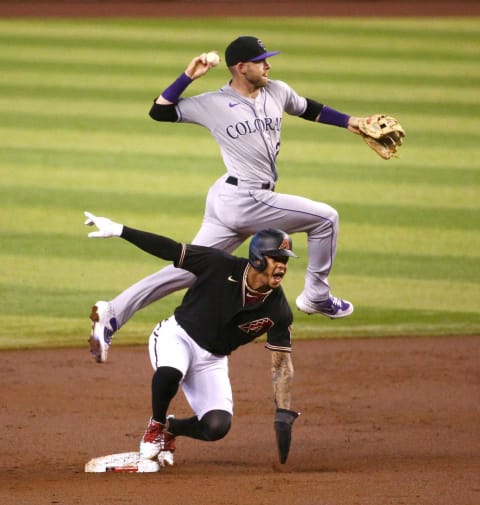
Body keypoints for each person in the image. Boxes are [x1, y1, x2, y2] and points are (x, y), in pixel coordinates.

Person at [89, 35, 363, 364]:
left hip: (231, 198)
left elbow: (308, 109)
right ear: (240, 67)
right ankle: (317, 296)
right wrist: (188, 76)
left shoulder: (277, 90)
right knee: (326, 218)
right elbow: (159, 112)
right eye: (262, 61)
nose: (268, 65)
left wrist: (350, 122)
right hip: (244, 198)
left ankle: (112, 313)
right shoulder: (212, 103)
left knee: (189, 271)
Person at [84, 211, 300, 467]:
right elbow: (171, 250)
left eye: (285, 260)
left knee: (217, 425)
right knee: (169, 373)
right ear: (257, 258)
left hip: (212, 360)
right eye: (275, 258)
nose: (282, 265)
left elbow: (281, 364)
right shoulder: (219, 264)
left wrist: (283, 413)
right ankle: (155, 426)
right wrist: (120, 230)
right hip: (177, 336)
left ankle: (171, 430)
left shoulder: (279, 311)